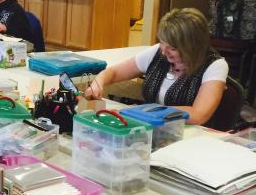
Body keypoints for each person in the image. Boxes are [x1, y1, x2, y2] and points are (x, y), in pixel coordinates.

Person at [84, 8, 228, 125]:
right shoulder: (158, 52)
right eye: (162, 43)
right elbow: (114, 72)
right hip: (156, 128)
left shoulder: (215, 65)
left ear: (192, 46)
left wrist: (145, 111)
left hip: (191, 135)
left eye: (172, 48)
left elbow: (198, 114)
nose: (164, 52)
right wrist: (99, 82)